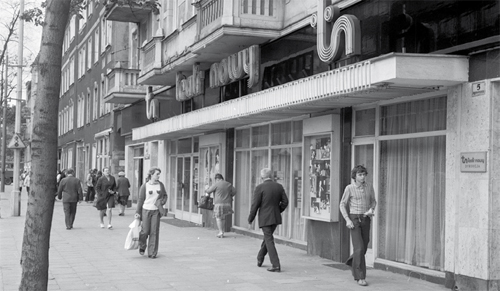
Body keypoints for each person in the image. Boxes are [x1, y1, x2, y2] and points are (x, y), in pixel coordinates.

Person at [339, 165, 377, 287]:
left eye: (364, 174)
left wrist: (371, 209)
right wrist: (347, 220)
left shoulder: (369, 187)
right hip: (354, 219)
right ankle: (360, 277)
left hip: (366, 218)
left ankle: (352, 261)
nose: (362, 177)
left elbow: (373, 201)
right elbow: (342, 204)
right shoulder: (349, 188)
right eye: (360, 175)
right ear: (354, 176)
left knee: (364, 246)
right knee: (359, 248)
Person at [248, 168, 288, 272]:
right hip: (275, 217)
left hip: (265, 218)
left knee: (269, 239)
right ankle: (260, 257)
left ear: (262, 177)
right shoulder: (279, 186)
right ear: (271, 176)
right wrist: (278, 210)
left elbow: (255, 205)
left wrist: (250, 218)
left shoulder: (259, 188)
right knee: (268, 238)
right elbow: (285, 202)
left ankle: (276, 264)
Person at [135, 167, 168, 258]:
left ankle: (152, 252)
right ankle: (142, 246)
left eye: (159, 174)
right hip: (145, 210)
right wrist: (138, 212)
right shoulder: (145, 186)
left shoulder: (160, 185)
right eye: (157, 174)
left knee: (154, 232)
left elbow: (165, 196)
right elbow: (140, 200)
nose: (158, 176)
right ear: (151, 175)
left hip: (156, 211)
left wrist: (161, 202)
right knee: (145, 231)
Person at [204, 173, 236, 238]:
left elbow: (208, 191)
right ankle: (222, 231)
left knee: (218, 218)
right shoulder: (228, 184)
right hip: (227, 203)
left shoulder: (216, 184)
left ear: (217, 179)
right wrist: (230, 195)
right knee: (223, 218)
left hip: (218, 204)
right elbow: (235, 191)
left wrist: (206, 188)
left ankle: (220, 232)